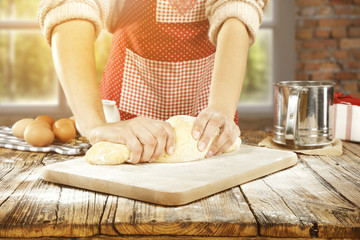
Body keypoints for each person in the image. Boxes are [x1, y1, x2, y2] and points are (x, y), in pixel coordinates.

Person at [38, 0, 268, 164]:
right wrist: (95, 125)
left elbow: (237, 12)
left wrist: (221, 108)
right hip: (124, 121)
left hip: (208, 121)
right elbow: (70, 8)